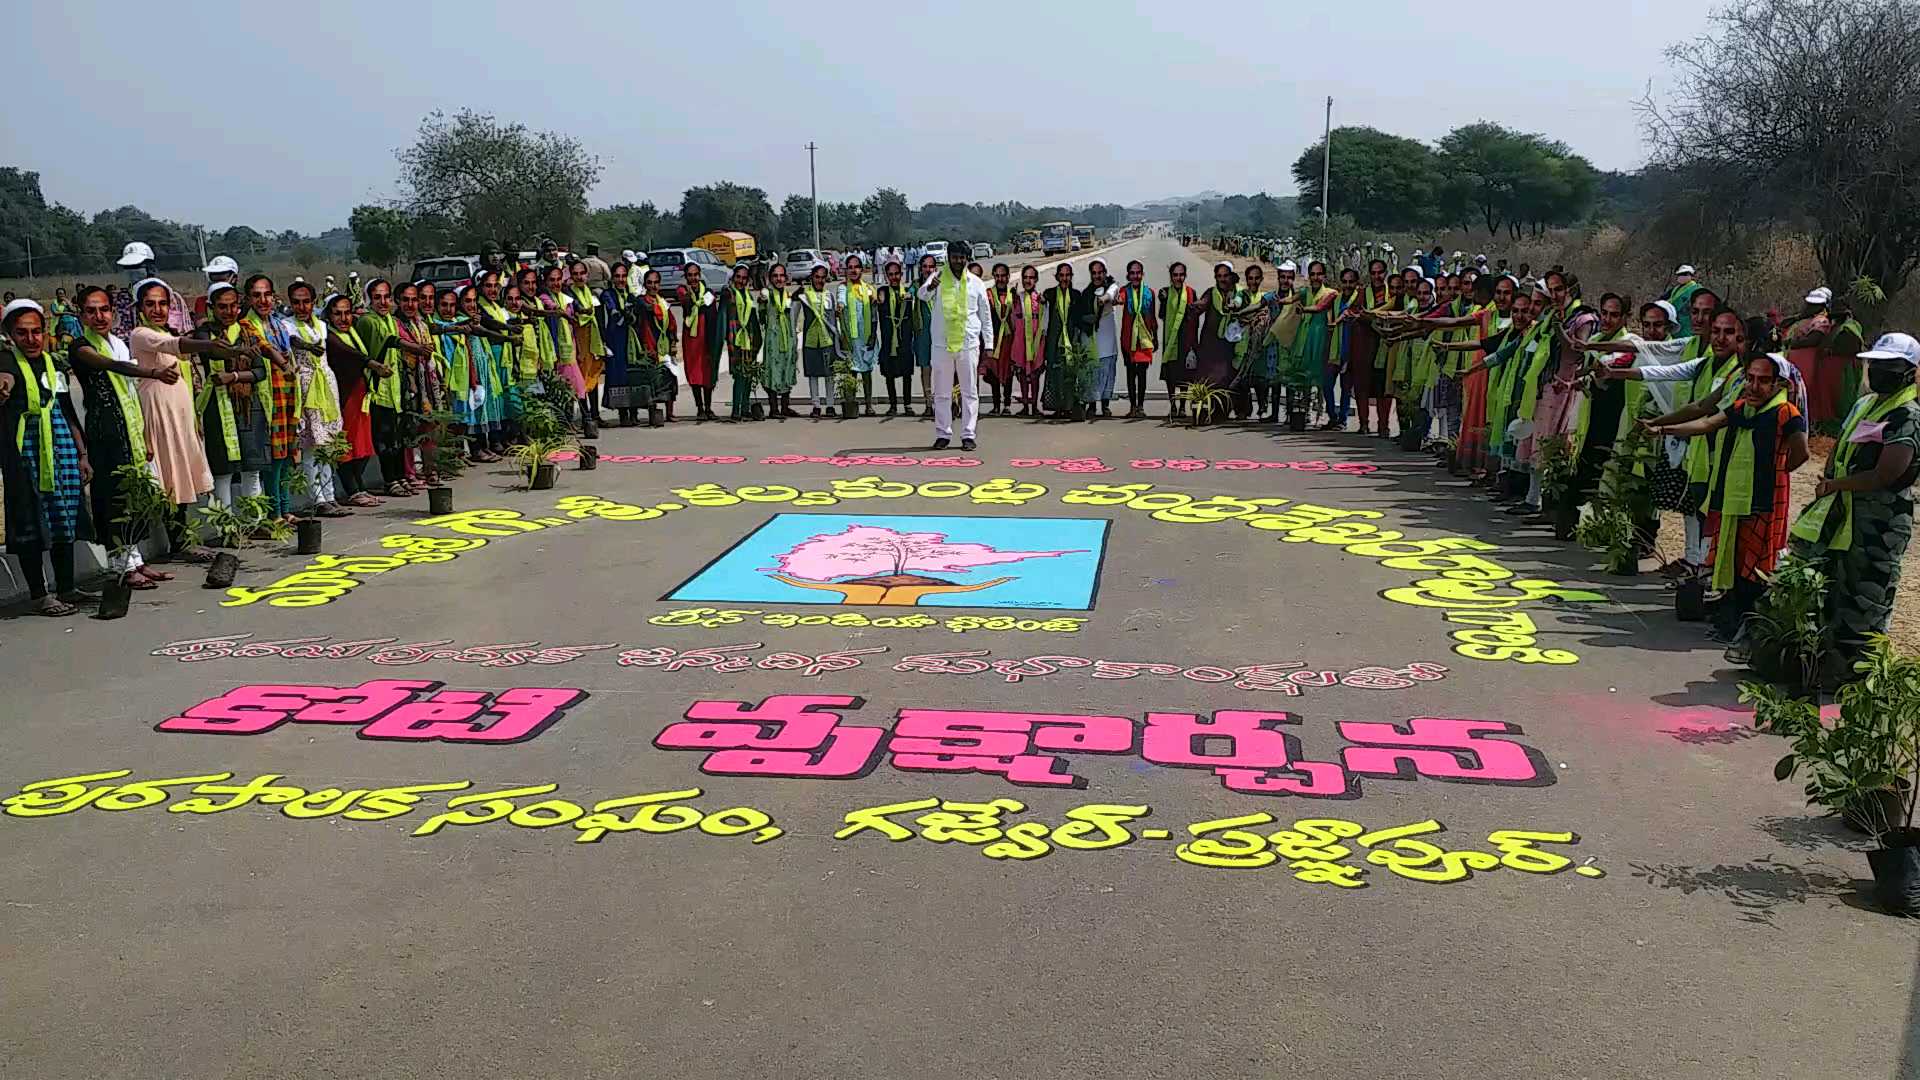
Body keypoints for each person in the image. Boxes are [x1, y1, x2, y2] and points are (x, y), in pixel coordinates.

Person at [1648, 352, 1808, 650]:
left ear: (1777, 385)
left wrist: (1776, 474)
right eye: (1750, 378)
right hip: (1733, 499)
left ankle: (1748, 627)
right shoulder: (1740, 408)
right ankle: (1732, 622)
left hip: (1765, 502)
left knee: (1757, 568)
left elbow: (1801, 454)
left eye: (1763, 381)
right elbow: (1707, 424)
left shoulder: (1787, 414)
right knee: (1732, 560)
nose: (1754, 386)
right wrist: (1664, 429)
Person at [1790, 333, 1920, 677]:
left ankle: (1859, 675)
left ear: (1908, 371)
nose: (1878, 372)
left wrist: (1836, 484)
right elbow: (1843, 443)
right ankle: (1829, 666)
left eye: (1888, 366)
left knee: (1867, 596)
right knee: (1833, 586)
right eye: (1875, 364)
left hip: (1879, 522)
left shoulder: (1907, 415)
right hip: (1843, 510)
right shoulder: (1867, 403)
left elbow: (1886, 474)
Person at [66, 286, 175, 590]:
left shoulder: (118, 343)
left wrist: (145, 435)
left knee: (135, 495)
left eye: (104, 310)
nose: (99, 316)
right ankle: (122, 565)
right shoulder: (80, 347)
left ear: (113, 311)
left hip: (130, 427)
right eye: (91, 311)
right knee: (113, 496)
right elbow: (107, 365)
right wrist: (150, 372)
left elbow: (130, 391)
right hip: (105, 431)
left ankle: (136, 559)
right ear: (81, 314)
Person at [0, 300, 96, 614]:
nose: (31, 339)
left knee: (64, 518)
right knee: (31, 522)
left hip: (62, 452)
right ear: (10, 335)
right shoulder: (7, 361)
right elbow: (6, 379)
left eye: (37, 331)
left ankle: (67, 588)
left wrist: (82, 454)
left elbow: (67, 410)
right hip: (26, 455)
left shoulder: (53, 365)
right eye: (23, 333)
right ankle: (40, 594)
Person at [915, 238, 993, 451]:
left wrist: (989, 345)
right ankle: (943, 433)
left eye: (961, 257)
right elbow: (922, 295)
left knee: (969, 392)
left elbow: (985, 317)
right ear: (948, 258)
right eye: (954, 257)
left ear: (968, 259)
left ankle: (968, 434)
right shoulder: (938, 277)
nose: (957, 261)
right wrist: (930, 285)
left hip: (968, 344)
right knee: (942, 392)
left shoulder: (976, 283)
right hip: (942, 345)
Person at [241, 275, 301, 521]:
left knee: (287, 453)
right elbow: (266, 347)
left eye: (267, 295)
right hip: (267, 396)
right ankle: (274, 512)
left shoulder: (279, 324)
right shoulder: (247, 324)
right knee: (273, 456)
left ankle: (286, 509)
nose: (263, 300)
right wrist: (283, 362)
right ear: (248, 299)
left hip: (287, 392)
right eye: (256, 295)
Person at [633, 268, 683, 422]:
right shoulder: (641, 301)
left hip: (665, 346)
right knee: (652, 380)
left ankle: (670, 413)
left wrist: (673, 342)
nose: (653, 286)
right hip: (649, 345)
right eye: (650, 283)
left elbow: (672, 324)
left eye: (656, 283)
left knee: (670, 379)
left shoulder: (663, 303)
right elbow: (647, 311)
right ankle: (653, 413)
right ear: (645, 285)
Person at [720, 261, 764, 422]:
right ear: (733, 278)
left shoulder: (748, 295)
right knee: (739, 375)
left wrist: (758, 340)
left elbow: (753, 318)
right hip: (735, 339)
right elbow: (724, 318)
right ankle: (736, 410)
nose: (741, 281)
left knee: (748, 375)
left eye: (744, 278)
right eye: (738, 277)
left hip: (750, 339)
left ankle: (745, 408)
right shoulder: (729, 294)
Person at [677, 263, 721, 420]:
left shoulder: (708, 293)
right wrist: (691, 298)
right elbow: (687, 305)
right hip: (692, 337)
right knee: (694, 371)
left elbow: (713, 313)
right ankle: (700, 408)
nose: (693, 278)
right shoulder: (683, 291)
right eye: (690, 275)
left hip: (706, 334)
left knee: (707, 371)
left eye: (695, 274)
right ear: (686, 277)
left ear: (700, 275)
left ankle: (709, 407)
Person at [567, 260, 606, 432]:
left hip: (593, 340)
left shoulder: (590, 293)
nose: (579, 277)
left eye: (581, 273)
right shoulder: (570, 296)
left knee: (593, 377)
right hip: (579, 340)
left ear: (587, 275)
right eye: (575, 274)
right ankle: (586, 417)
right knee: (580, 381)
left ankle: (595, 415)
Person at [796, 262, 840, 416]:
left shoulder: (830, 296)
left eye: (823, 277)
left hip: (827, 339)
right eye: (817, 277)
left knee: (830, 374)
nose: (820, 280)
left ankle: (830, 405)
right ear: (812, 278)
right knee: (813, 374)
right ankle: (816, 405)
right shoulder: (804, 295)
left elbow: (834, 319)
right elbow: (794, 317)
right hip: (811, 339)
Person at [599, 261, 640, 426]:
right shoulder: (607, 294)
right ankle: (623, 413)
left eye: (623, 276)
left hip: (630, 340)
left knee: (633, 374)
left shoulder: (631, 295)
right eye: (617, 276)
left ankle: (634, 412)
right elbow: (612, 311)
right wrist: (623, 313)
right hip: (615, 339)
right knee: (618, 375)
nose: (621, 280)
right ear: (612, 278)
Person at [838, 255, 878, 416]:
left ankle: (869, 405)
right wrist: (840, 305)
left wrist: (873, 336)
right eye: (850, 267)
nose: (853, 270)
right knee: (851, 371)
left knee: (867, 371)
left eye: (856, 267)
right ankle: (850, 404)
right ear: (846, 270)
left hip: (866, 336)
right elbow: (841, 301)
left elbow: (874, 313)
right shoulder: (843, 288)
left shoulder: (868, 288)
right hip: (851, 337)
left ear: (861, 269)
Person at [875, 260, 917, 416]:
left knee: (907, 373)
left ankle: (907, 404)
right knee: (889, 374)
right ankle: (893, 405)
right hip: (888, 339)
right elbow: (877, 299)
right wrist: (879, 299)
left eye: (896, 274)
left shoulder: (906, 293)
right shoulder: (883, 292)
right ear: (886, 276)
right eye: (890, 274)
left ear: (901, 275)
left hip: (904, 339)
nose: (894, 277)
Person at [1117, 260, 1158, 419]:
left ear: (1142, 274)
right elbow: (1119, 299)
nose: (1135, 276)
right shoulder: (1124, 291)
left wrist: (1155, 338)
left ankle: (1140, 406)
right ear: (1128, 275)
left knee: (1142, 374)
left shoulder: (1150, 293)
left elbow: (1152, 317)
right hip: (1128, 340)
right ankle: (1132, 406)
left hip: (1145, 339)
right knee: (1130, 373)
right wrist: (1117, 299)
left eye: (1138, 273)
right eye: (1132, 273)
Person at [1041, 262, 1082, 418]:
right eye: (1061, 275)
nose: (1064, 278)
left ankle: (1069, 406)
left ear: (1071, 277)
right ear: (1057, 277)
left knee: (1070, 374)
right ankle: (1057, 407)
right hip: (1054, 340)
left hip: (1071, 339)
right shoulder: (1050, 294)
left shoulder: (1076, 295)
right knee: (1054, 373)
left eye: (1067, 275)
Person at [758, 264, 798, 418]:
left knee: (787, 368)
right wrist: (761, 303)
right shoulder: (767, 294)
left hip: (787, 336)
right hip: (772, 339)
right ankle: (774, 408)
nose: (779, 279)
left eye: (781, 275)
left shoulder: (787, 295)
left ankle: (785, 407)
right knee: (772, 371)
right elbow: (761, 317)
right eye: (775, 276)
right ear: (770, 278)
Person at [1006, 265, 1046, 418]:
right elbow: (1010, 319)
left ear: (1036, 279)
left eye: (1031, 277)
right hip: (1020, 341)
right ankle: (1024, 405)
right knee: (1022, 374)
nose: (1028, 280)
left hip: (1036, 341)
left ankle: (1035, 405)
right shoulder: (1017, 299)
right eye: (1025, 277)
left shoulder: (1040, 298)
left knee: (1035, 374)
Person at [1083, 259, 1121, 418]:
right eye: (1094, 273)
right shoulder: (1086, 292)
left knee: (1108, 371)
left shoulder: (1112, 285)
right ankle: (1091, 406)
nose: (1097, 276)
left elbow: (1111, 294)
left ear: (1105, 273)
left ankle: (1105, 405)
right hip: (1092, 339)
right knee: (1092, 372)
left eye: (1100, 273)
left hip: (1108, 336)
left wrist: (1103, 299)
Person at [1159, 262, 1196, 421]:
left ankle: (1182, 407)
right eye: (1175, 275)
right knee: (1171, 375)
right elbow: (1161, 316)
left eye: (1181, 275)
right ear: (1171, 276)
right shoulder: (1165, 293)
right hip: (1170, 339)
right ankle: (1173, 405)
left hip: (1186, 339)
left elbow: (1195, 318)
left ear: (1185, 276)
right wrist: (1164, 301)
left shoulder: (1191, 293)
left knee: (1185, 376)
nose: (1178, 278)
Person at [983, 263, 1015, 416]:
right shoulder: (988, 294)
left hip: (1008, 339)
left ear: (1008, 277)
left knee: (1008, 371)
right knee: (993, 372)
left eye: (1003, 276)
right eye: (997, 276)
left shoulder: (1013, 294)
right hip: (993, 338)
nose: (1000, 279)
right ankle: (996, 405)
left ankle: (1007, 405)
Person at [912, 253, 937, 416]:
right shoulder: (916, 285)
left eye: (930, 266)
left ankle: (945, 403)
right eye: (924, 266)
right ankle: (928, 403)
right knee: (926, 369)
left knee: (943, 370)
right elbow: (908, 293)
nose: (928, 269)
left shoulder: (942, 284)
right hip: (923, 332)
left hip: (940, 331)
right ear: (920, 269)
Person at [1666, 265, 1704, 336]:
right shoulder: (1675, 289)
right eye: (1680, 274)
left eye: (1685, 274)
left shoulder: (1696, 289)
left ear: (1691, 276)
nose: (1682, 276)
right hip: (1674, 322)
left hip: (1688, 323)